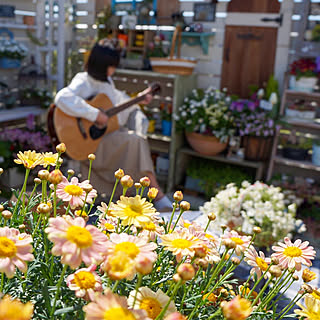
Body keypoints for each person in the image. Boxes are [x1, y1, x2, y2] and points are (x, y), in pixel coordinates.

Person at [54, 39, 172, 210]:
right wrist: (94, 114)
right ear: (102, 64)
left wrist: (139, 98)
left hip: (105, 137)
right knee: (135, 141)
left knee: (134, 141)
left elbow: (117, 108)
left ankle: (128, 196)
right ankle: (156, 194)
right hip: (90, 144)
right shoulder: (83, 81)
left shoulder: (108, 83)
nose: (114, 69)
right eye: (112, 65)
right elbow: (62, 98)